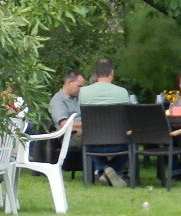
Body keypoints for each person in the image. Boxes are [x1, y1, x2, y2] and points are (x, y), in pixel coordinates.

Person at [78, 58, 129, 186]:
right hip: (119, 142)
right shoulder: (123, 92)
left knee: (84, 138)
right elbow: (127, 118)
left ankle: (104, 169)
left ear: (96, 74)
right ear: (112, 72)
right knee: (131, 141)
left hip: (93, 142)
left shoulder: (83, 92)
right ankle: (113, 170)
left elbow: (81, 117)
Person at [49, 70, 84, 143]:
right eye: (79, 86)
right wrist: (90, 124)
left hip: (83, 132)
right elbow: (65, 125)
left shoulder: (78, 98)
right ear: (68, 82)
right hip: (68, 137)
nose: (81, 89)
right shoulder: (57, 100)